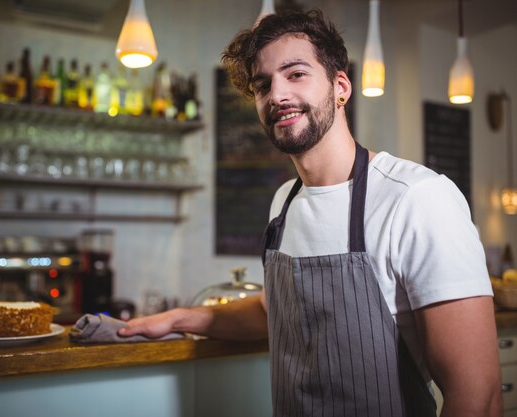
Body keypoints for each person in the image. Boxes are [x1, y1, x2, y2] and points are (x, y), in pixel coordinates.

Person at [119, 9, 502, 417]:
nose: (277, 95)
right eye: (262, 85)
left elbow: (477, 397)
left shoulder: (418, 198)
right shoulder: (285, 201)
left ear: (340, 86)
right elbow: (275, 310)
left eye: (296, 73)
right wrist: (180, 318)